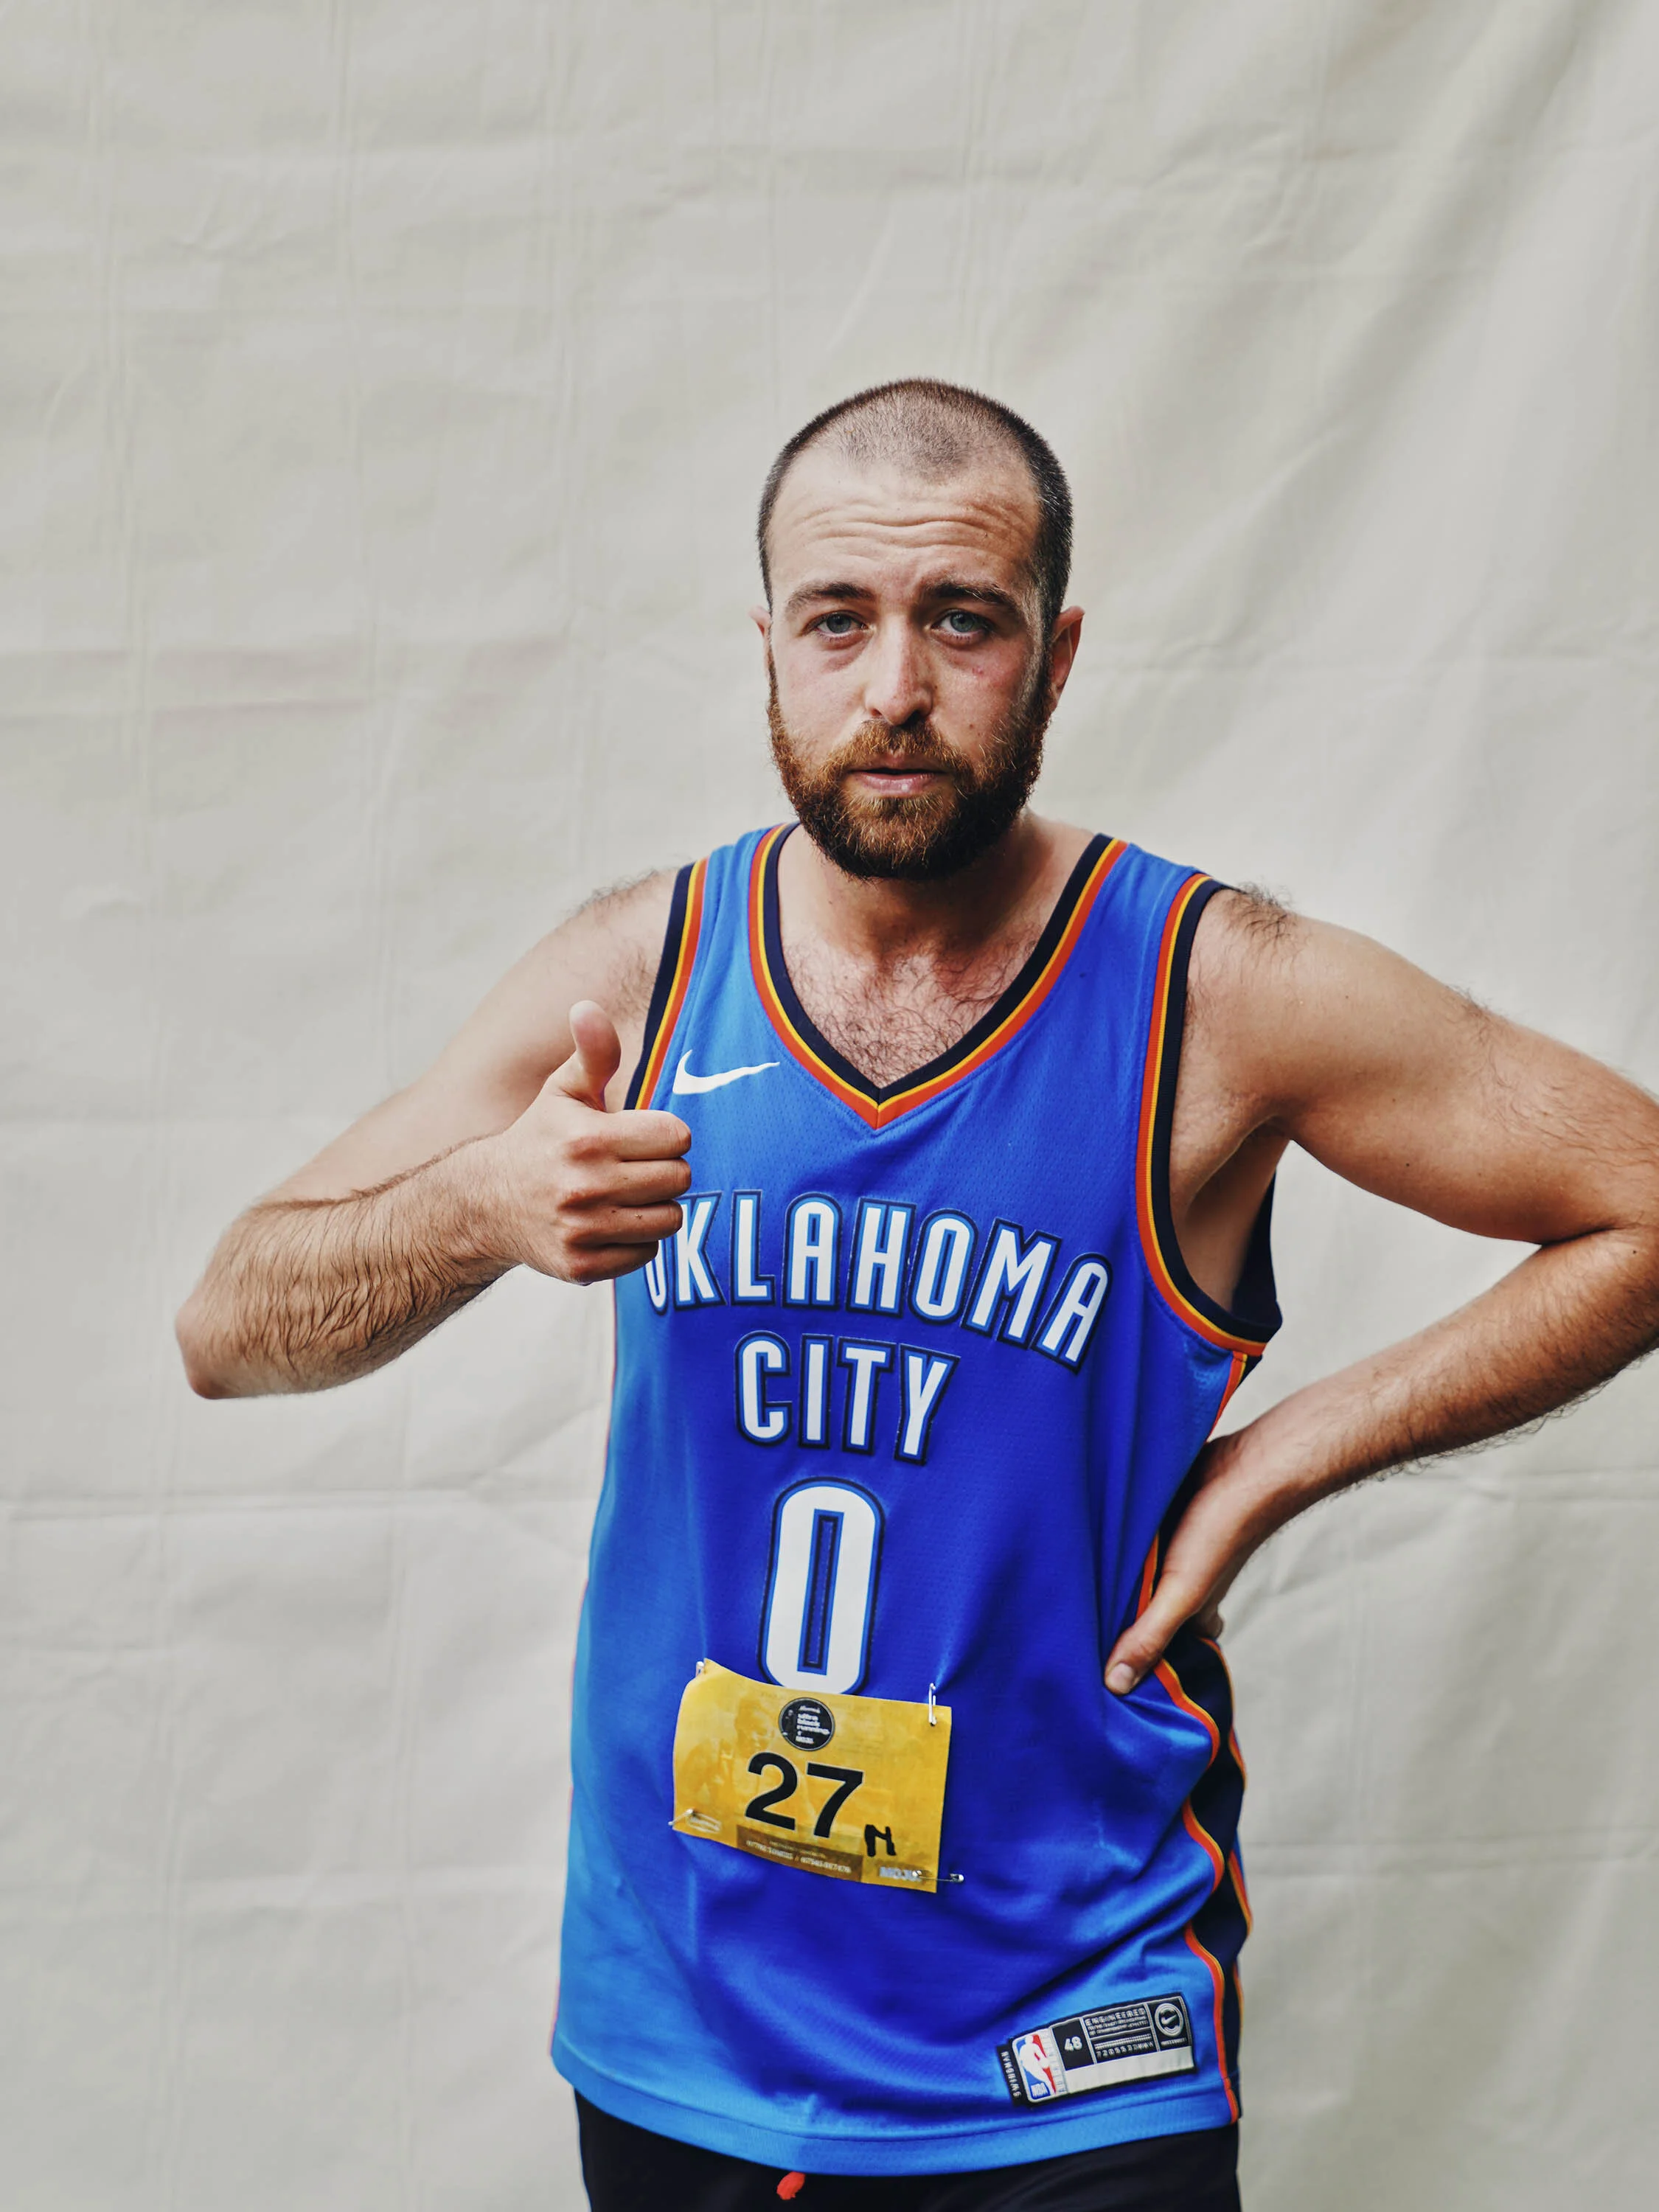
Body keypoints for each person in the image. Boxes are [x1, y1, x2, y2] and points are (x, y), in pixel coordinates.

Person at [176, 380, 1659, 2212]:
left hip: (1069, 2042)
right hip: (689, 2027)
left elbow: (1641, 1200)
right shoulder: (643, 970)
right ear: (771, 652)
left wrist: (1276, 1463)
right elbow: (227, 1323)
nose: (896, 685)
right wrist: (481, 1208)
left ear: (1056, 656)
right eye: (840, 621)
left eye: (965, 619)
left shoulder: (1219, 987)